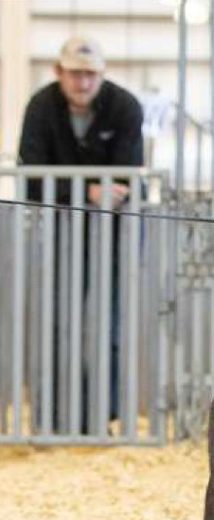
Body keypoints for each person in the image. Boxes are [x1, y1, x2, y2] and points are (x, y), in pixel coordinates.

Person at [17, 36, 144, 433]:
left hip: (111, 234)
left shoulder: (124, 107)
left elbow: (128, 179)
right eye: (75, 73)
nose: (83, 82)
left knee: (107, 323)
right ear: (59, 72)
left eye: (90, 74)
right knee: (54, 321)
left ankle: (101, 417)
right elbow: (31, 179)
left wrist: (79, 188)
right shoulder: (41, 106)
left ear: (102, 75)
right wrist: (89, 190)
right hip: (57, 233)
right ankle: (54, 418)